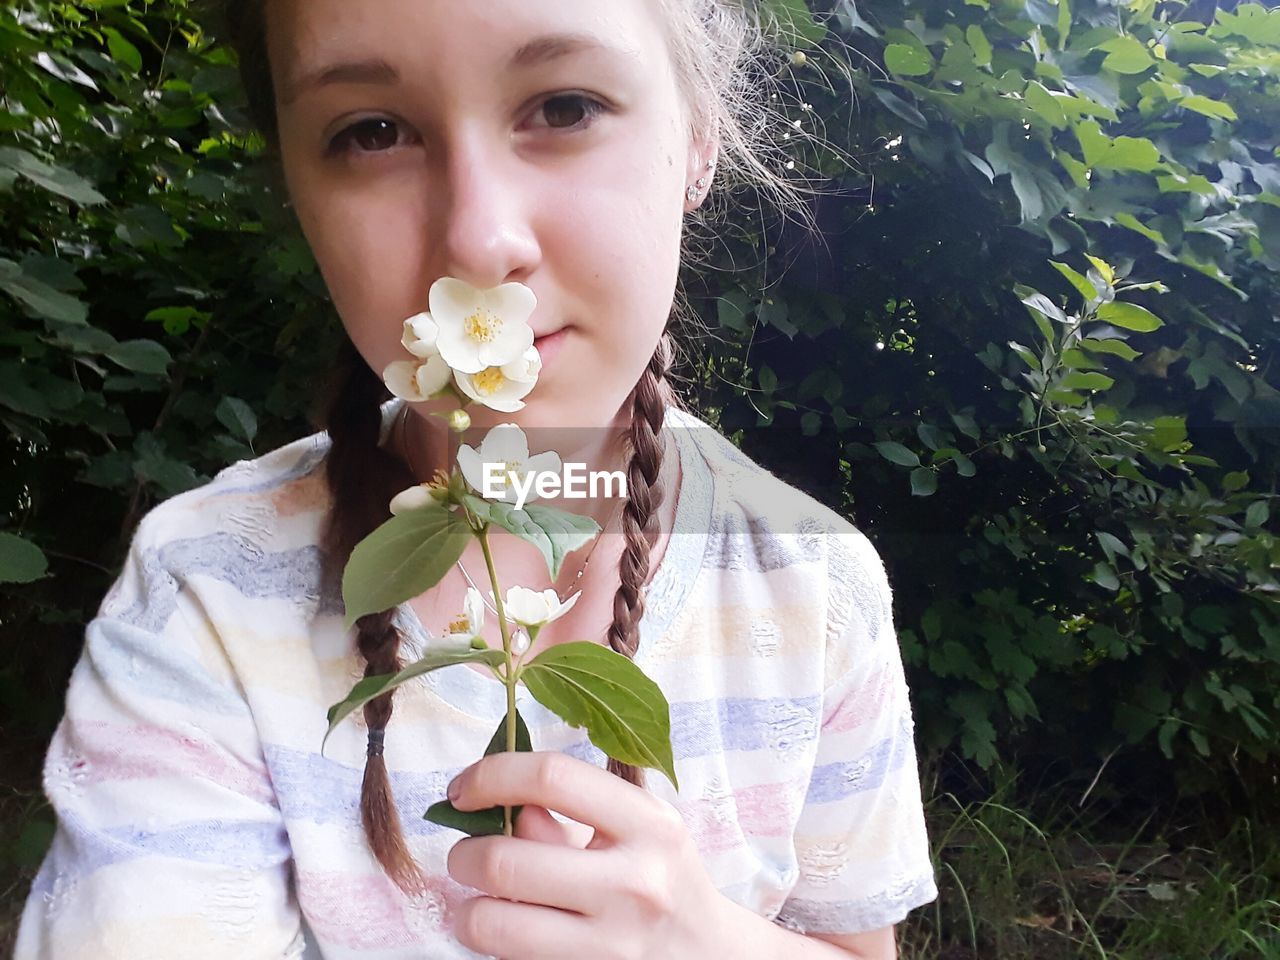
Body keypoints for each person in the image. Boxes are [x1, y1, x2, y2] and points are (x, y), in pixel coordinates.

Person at [15, 0, 939, 957]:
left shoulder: (816, 589)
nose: (479, 242)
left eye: (567, 107)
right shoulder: (205, 588)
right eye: (372, 132)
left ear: (698, 138)